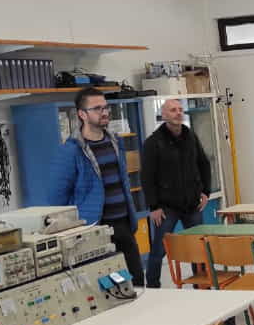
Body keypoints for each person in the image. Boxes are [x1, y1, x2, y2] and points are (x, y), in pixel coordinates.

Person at [49, 87, 143, 286]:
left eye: (105, 107)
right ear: (82, 114)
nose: (105, 112)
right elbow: (57, 199)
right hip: (95, 229)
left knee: (136, 282)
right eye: (97, 108)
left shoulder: (115, 142)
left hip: (123, 225)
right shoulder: (72, 150)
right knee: (106, 287)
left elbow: (123, 181)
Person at [140, 98, 212, 288]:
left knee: (198, 247)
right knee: (159, 249)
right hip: (166, 207)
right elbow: (147, 177)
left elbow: (204, 164)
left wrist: (206, 191)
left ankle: (203, 286)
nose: (178, 113)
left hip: (192, 203)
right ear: (163, 115)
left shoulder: (191, 137)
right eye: (173, 110)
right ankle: (153, 287)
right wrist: (153, 206)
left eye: (180, 109)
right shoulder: (153, 143)